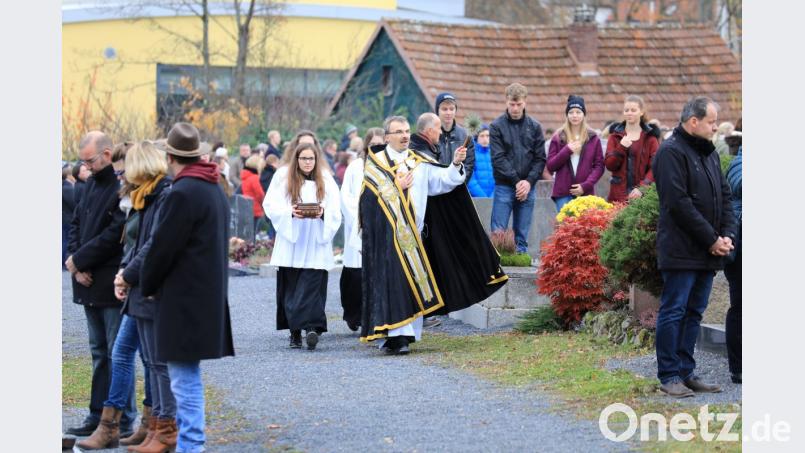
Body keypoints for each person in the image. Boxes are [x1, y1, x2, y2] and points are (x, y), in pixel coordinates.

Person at [359, 115, 507, 354]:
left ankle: (405, 335)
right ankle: (394, 336)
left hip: (413, 238)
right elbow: (368, 202)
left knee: (410, 286)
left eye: (406, 131)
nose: (405, 136)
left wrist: (455, 164)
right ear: (387, 137)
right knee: (393, 286)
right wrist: (396, 187)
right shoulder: (376, 165)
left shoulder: (419, 161)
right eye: (398, 132)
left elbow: (443, 182)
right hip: (387, 239)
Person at [140, 123, 235, 453]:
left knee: (183, 381)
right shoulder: (212, 188)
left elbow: (162, 249)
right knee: (185, 377)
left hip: (183, 299)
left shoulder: (182, 193)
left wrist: (146, 283)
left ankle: (191, 445)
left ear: (170, 157)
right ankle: (190, 443)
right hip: (204, 296)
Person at [652, 97, 737, 398]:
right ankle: (669, 374)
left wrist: (727, 235)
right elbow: (678, 204)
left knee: (694, 313)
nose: (715, 127)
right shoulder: (671, 152)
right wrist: (711, 239)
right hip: (681, 250)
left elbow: (725, 197)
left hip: (706, 251)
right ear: (693, 122)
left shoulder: (708, 153)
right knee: (674, 311)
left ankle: (686, 371)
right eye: (711, 122)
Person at [65, 131, 137, 438]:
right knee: (98, 352)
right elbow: (75, 224)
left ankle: (123, 417)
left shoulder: (120, 187)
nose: (86, 167)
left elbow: (114, 235)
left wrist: (79, 260)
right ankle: (97, 414)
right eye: (82, 161)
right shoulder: (88, 185)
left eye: (90, 160)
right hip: (86, 279)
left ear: (107, 155)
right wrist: (74, 261)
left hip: (108, 280)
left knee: (116, 353)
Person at [264, 143, 342, 350]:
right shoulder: (284, 179)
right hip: (293, 241)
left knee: (312, 287)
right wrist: (290, 212)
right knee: (292, 288)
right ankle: (295, 333)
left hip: (315, 241)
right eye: (303, 158)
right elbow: (271, 205)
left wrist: (323, 213)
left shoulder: (326, 181)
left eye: (311, 158)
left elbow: (336, 210)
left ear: (316, 160)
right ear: (296, 160)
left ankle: (312, 329)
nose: (307, 162)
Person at [489, 83, 546, 254]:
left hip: (528, 186)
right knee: (498, 233)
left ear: (525, 102)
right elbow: (498, 158)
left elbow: (540, 159)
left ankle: (521, 259)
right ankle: (496, 263)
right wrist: (517, 182)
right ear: (506, 102)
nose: (515, 108)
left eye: (518, 104)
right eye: (512, 104)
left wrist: (528, 182)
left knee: (522, 237)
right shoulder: (496, 126)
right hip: (504, 185)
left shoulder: (535, 127)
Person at [340, 127, 384, 332]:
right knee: (355, 275)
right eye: (373, 145)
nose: (376, 148)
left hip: (381, 225)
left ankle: (374, 317)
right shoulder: (356, 167)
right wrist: (360, 217)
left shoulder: (389, 166)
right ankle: (353, 314)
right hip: (357, 226)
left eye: (380, 145)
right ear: (366, 146)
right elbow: (346, 195)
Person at [545, 95, 605, 211]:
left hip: (585, 193)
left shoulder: (593, 138)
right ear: (567, 115)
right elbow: (551, 166)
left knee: (585, 223)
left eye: (578, 112)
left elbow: (599, 166)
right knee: (565, 222)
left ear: (584, 114)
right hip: (563, 193)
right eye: (571, 112)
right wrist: (567, 150)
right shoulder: (558, 137)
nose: (575, 115)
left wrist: (586, 185)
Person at [604, 95, 661, 203]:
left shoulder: (650, 138)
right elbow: (609, 165)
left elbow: (656, 167)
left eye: (633, 110)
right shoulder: (615, 136)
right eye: (626, 110)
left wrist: (642, 188)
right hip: (617, 197)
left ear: (641, 112)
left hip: (642, 198)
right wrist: (621, 147)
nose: (629, 113)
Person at [724, 145, 742, 384]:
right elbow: (740, 183)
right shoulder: (740, 162)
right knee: (741, 304)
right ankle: (738, 368)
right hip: (741, 245)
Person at [434, 92, 476, 181]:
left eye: (451, 109)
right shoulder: (431, 134)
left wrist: (459, 183)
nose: (448, 113)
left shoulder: (465, 135)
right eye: (444, 109)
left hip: (458, 185)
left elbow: (469, 165)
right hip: (436, 185)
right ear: (437, 111)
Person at [240, 154, 267, 234]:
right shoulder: (254, 178)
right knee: (253, 233)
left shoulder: (246, 177)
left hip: (247, 208)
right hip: (255, 209)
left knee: (248, 233)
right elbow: (260, 194)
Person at [467, 124, 495, 197]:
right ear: (476, 138)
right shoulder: (471, 154)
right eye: (482, 136)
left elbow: (500, 179)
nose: (485, 139)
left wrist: (493, 196)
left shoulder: (495, 154)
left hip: (494, 199)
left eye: (487, 136)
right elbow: (470, 180)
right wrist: (483, 198)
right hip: (477, 199)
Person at [63, 164, 76, 268]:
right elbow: (73, 203)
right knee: (66, 240)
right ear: (68, 176)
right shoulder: (68, 188)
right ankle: (64, 261)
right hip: (67, 218)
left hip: (64, 217)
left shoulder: (64, 186)